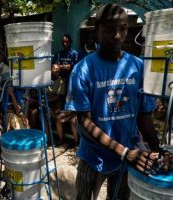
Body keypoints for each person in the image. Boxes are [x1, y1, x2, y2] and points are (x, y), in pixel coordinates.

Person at [64, 4, 160, 199]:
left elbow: (143, 115)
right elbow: (84, 121)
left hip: (127, 158)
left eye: (123, 28)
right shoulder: (83, 70)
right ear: (96, 31)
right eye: (109, 29)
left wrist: (158, 149)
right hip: (93, 157)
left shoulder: (138, 67)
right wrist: (123, 151)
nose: (117, 35)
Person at [51, 34, 79, 145]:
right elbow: (55, 66)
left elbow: (74, 67)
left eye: (66, 41)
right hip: (59, 81)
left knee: (68, 100)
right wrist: (65, 67)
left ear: (70, 42)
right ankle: (60, 138)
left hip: (70, 82)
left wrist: (66, 67)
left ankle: (76, 140)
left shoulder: (74, 54)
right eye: (63, 42)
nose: (64, 43)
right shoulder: (59, 54)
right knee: (60, 99)